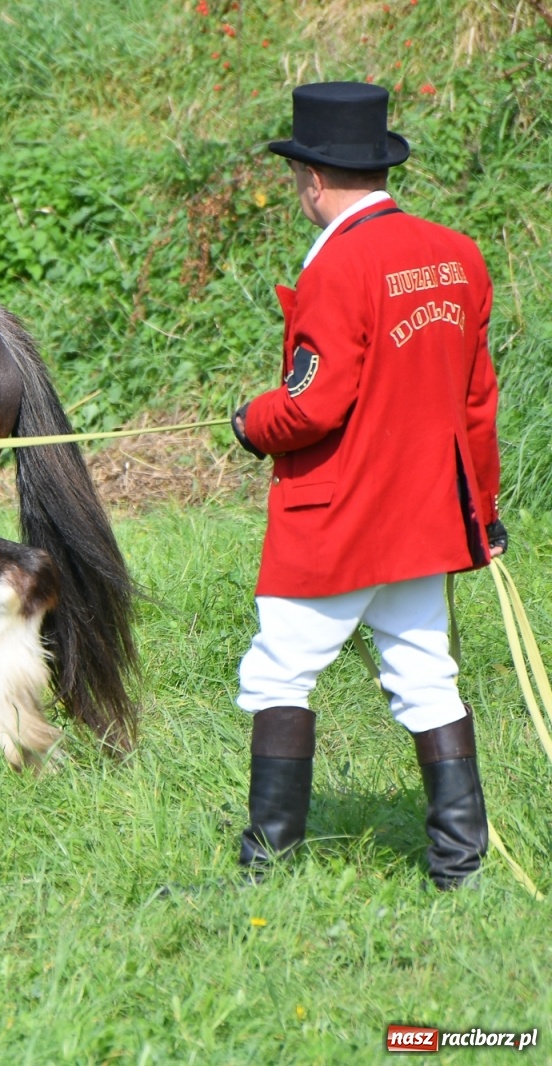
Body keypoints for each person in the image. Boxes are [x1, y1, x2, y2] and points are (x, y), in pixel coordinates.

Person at [230, 82, 507, 890]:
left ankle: (267, 868)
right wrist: (481, 515)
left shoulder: (338, 263)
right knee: (425, 676)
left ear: (313, 178)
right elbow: (478, 401)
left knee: (278, 673)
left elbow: (313, 404)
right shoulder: (458, 253)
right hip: (425, 516)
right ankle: (459, 868)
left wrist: (250, 421)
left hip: (340, 516)